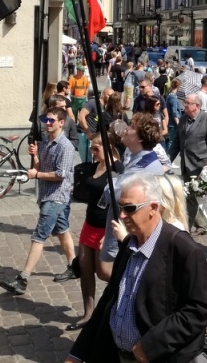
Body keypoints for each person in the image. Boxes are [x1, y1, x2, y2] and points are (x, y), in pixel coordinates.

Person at [65, 176, 207, 363]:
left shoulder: (184, 249)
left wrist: (150, 346)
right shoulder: (129, 243)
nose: (122, 215)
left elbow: (200, 309)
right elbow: (110, 299)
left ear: (153, 208)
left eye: (130, 208)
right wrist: (78, 353)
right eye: (121, 207)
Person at [0, 106, 77, 295]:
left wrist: (37, 174)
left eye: (51, 120)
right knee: (62, 230)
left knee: (38, 237)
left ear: (61, 122)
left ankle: (23, 279)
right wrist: (34, 155)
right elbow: (37, 167)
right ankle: (75, 266)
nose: (47, 123)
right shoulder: (46, 143)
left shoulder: (66, 147)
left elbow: (60, 174)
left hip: (56, 197)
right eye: (46, 120)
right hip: (46, 194)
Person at [98, 114, 168, 280]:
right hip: (126, 229)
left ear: (139, 138)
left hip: (131, 230)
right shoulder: (137, 158)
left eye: (131, 128)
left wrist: (112, 184)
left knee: (119, 276)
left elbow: (115, 193)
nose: (126, 130)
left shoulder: (145, 165)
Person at [68, 134, 124, 331]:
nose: (92, 152)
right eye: (91, 148)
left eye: (96, 148)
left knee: (103, 272)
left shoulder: (117, 169)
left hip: (105, 228)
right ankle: (88, 314)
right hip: (88, 225)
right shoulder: (96, 164)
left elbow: (121, 201)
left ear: (108, 146)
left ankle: (128, 291)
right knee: (85, 269)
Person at [168, 94, 207, 231]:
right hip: (186, 166)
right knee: (188, 198)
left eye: (187, 103)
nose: (184, 105)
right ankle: (193, 226)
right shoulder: (183, 119)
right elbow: (177, 143)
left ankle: (188, 228)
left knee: (196, 199)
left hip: (201, 167)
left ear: (196, 106)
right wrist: (167, 161)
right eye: (184, 102)